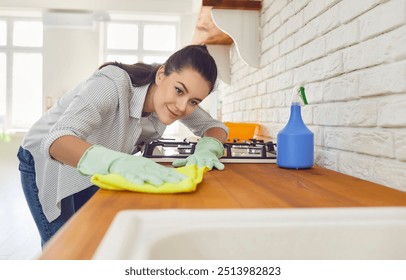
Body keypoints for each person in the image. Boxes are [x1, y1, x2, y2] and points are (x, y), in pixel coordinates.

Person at [17, 44, 228, 246]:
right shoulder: (110, 84)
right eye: (179, 91)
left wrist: (208, 148)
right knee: (64, 247)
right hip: (46, 160)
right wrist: (119, 163)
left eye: (194, 101)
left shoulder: (170, 97)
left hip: (91, 164)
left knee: (90, 236)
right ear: (161, 75)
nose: (182, 106)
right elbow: (56, 140)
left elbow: (213, 126)